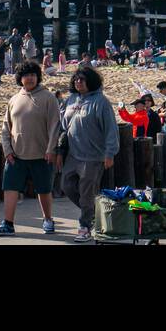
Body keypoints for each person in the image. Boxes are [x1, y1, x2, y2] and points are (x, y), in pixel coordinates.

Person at [0, 61, 60, 236]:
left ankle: (48, 219)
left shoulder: (48, 97)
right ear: (20, 79)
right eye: (26, 75)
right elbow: (6, 127)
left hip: (42, 155)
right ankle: (8, 223)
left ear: (38, 77)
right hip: (16, 155)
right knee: (10, 188)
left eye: (33, 75)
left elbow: (55, 126)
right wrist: (7, 151)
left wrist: (51, 149)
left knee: (44, 190)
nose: (29, 78)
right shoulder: (14, 99)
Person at [58, 65, 119, 243]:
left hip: (93, 157)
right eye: (76, 79)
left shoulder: (101, 102)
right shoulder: (70, 100)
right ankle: (95, 212)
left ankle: (85, 226)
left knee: (86, 193)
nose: (78, 82)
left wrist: (110, 154)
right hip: (72, 155)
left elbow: (111, 130)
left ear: (90, 81)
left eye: (82, 79)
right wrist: (59, 151)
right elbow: (62, 128)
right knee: (66, 186)